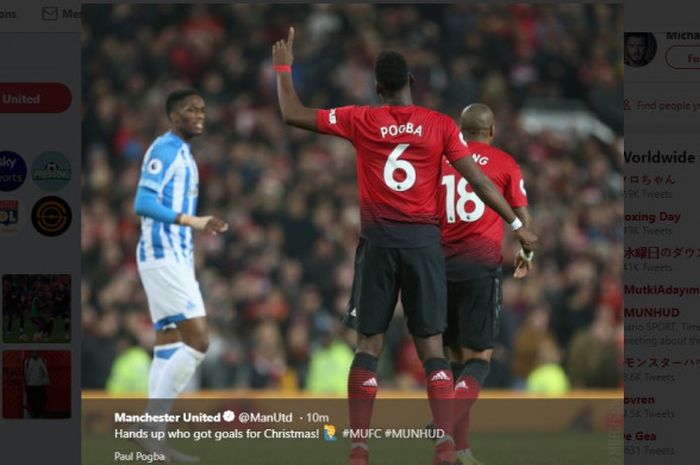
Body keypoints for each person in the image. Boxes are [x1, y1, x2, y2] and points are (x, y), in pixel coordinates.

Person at [272, 28, 537, 465]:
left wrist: (283, 68)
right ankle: (445, 447)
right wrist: (515, 224)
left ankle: (359, 449)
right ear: (411, 80)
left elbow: (292, 113)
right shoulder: (441, 125)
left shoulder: (361, 118)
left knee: (368, 347)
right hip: (424, 248)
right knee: (433, 349)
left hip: (378, 245)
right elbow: (478, 180)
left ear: (377, 88)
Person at [132, 88, 229, 462]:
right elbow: (142, 201)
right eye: (191, 110)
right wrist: (194, 221)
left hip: (176, 257)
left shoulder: (185, 153)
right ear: (173, 117)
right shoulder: (165, 150)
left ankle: (153, 440)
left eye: (202, 108)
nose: (199, 114)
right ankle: (149, 428)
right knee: (199, 341)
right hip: (162, 254)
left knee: (169, 342)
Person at [439, 103, 533, 465]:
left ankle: (455, 449)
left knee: (453, 360)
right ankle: (446, 425)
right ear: (491, 131)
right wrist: (527, 253)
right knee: (480, 357)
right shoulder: (505, 163)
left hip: (439, 268)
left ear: (460, 132)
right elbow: (522, 219)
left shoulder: (440, 161)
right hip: (480, 269)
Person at [24, 351, 49, 418]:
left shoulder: (43, 360)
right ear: (31, 353)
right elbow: (25, 372)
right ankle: (35, 415)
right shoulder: (27, 361)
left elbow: (45, 371)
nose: (34, 353)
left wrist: (46, 381)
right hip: (31, 385)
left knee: (44, 399)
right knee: (33, 401)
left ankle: (38, 412)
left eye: (36, 352)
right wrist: (26, 384)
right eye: (33, 352)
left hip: (40, 384)